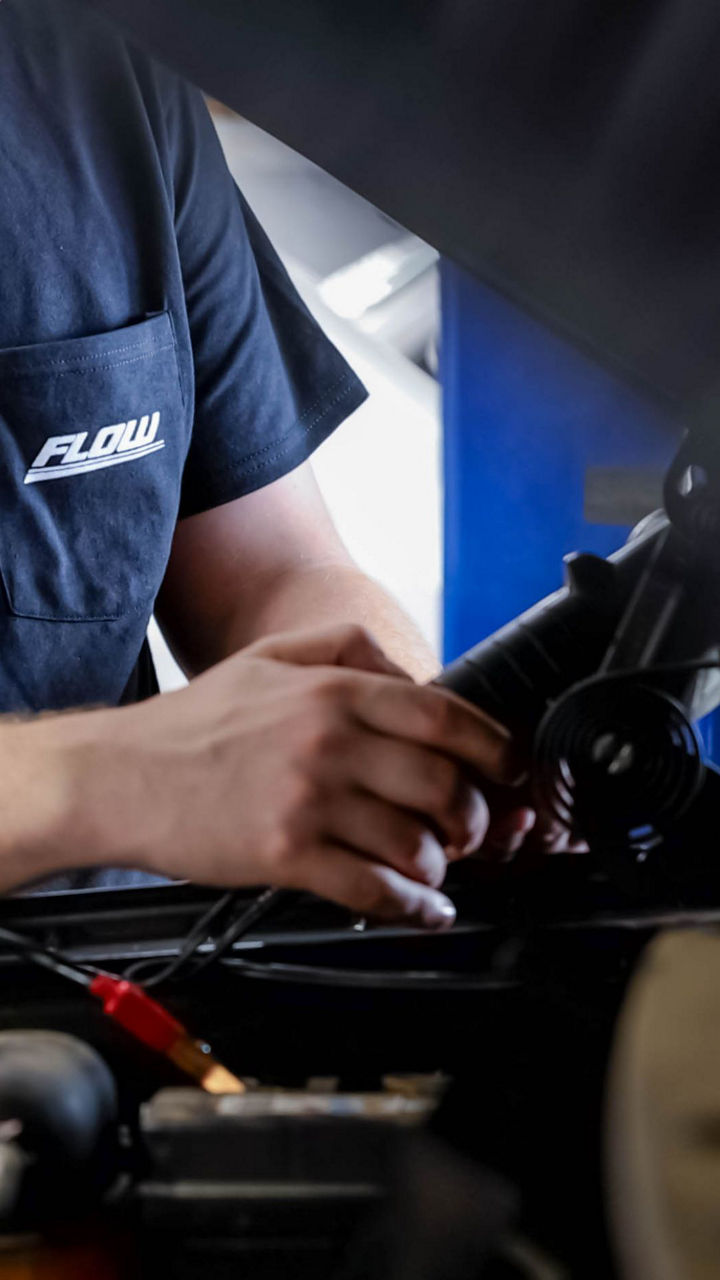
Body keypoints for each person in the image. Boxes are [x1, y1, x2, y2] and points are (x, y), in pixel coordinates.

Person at [0, 0, 533, 921]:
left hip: (117, 986)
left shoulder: (102, 81)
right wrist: (115, 775)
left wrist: (415, 762)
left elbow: (273, 572)